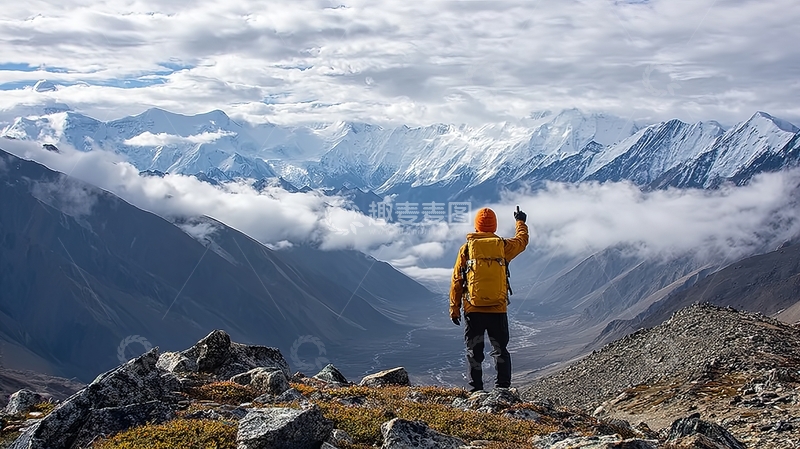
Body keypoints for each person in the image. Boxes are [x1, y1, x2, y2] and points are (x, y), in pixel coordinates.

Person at [449, 206, 528, 392]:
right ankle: (502, 388)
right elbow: (522, 241)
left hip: (472, 309)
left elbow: (457, 280)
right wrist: (520, 221)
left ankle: (475, 389)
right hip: (497, 309)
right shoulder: (502, 246)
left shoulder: (466, 249)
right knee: (500, 349)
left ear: (476, 226)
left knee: (474, 352)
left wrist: (454, 308)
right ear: (494, 226)